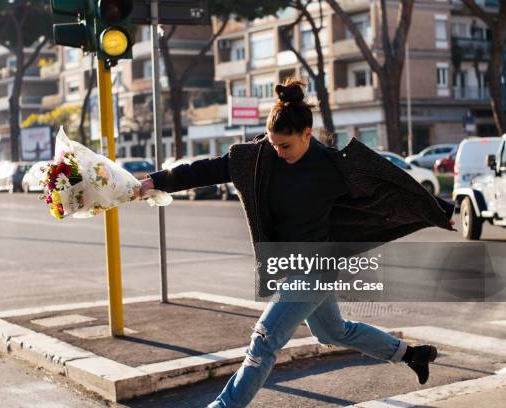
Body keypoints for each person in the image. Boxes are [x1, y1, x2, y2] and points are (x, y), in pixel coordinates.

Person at [139, 78, 455, 407]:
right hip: (289, 266)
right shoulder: (259, 159)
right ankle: (410, 354)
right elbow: (204, 170)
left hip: (318, 267)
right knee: (333, 332)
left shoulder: (335, 167)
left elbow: (392, 186)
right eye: (273, 143)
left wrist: (439, 210)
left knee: (265, 339)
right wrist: (154, 181)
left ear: (307, 133)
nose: (278, 151)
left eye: (285, 146)